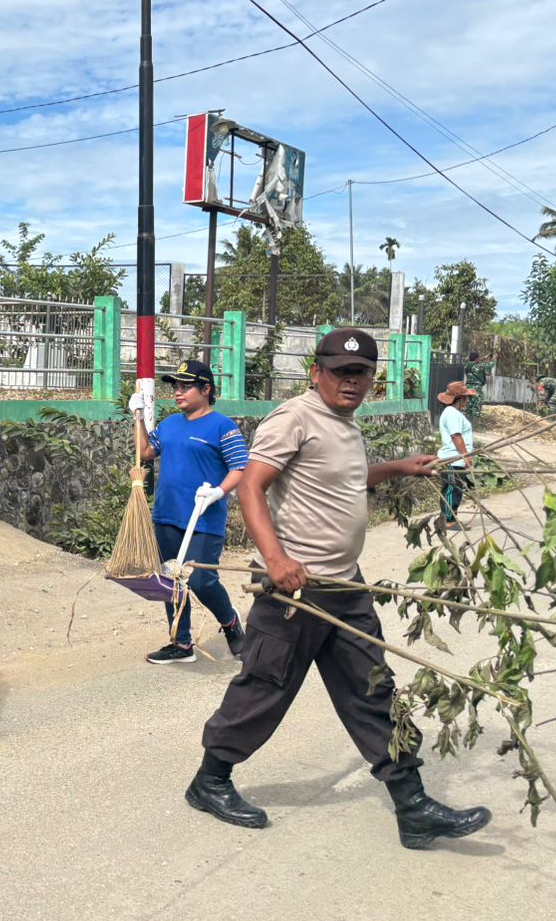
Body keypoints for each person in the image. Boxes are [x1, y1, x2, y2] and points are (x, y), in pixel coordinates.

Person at [184, 328, 493, 849]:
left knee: (373, 689)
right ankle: (210, 780)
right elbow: (252, 487)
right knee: (265, 687)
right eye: (341, 372)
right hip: (294, 589)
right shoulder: (293, 418)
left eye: (361, 373)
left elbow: (340, 480)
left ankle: (413, 807)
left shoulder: (346, 424)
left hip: (344, 583)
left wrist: (397, 468)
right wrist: (276, 560)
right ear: (316, 373)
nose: (351, 382)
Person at [135, 358, 249, 665]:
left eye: (185, 387)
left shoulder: (222, 426)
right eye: (176, 386)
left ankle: (230, 622)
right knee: (171, 580)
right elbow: (145, 452)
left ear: (206, 389)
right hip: (167, 515)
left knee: (201, 581)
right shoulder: (169, 424)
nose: (178, 392)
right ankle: (181, 643)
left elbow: (240, 467)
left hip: (203, 519)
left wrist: (219, 492)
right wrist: (138, 417)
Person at [436, 380, 477, 528]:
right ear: (460, 399)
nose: (467, 401)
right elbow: (456, 436)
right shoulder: (452, 414)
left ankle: (450, 517)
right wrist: (466, 455)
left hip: (455, 459)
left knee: (455, 489)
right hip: (452, 459)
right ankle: (448, 520)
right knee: (452, 489)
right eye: (466, 398)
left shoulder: (453, 413)